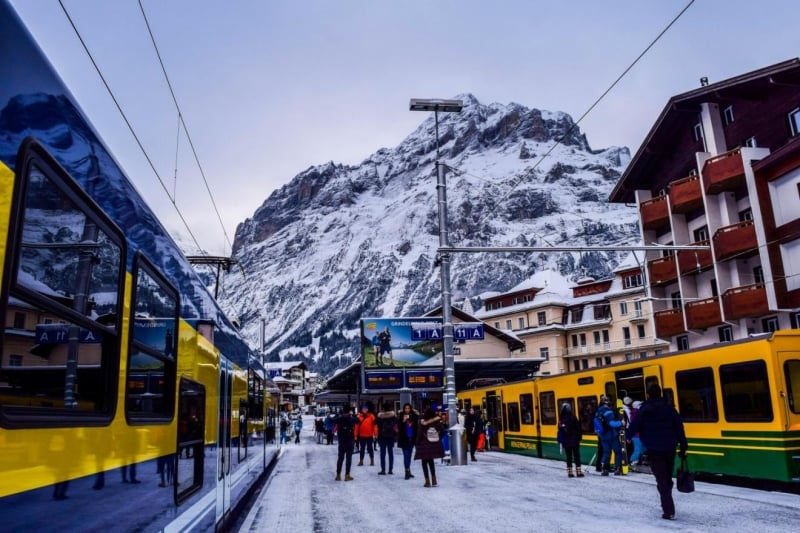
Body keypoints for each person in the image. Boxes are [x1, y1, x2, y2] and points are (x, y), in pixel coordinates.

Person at [626, 384, 688, 521]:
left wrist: (628, 436)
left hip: (654, 448)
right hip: (670, 446)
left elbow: (635, 424)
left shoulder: (645, 409)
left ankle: (668, 509)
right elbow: (679, 426)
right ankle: (668, 498)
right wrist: (683, 445)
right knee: (666, 475)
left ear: (648, 394)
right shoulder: (669, 408)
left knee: (661, 478)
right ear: (659, 393)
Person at [415, 407, 444, 487]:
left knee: (424, 463)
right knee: (431, 461)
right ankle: (434, 479)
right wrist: (438, 438)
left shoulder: (422, 422)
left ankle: (427, 481)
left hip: (423, 445)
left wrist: (417, 443)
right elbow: (442, 431)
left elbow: (419, 434)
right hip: (433, 444)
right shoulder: (437, 421)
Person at [596, 395, 624, 476]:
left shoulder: (598, 411)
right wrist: (621, 422)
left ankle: (604, 469)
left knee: (606, 452)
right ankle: (618, 468)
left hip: (602, 435)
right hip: (611, 435)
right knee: (618, 451)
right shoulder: (608, 411)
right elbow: (612, 423)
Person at [557, 402, 583, 478]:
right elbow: (578, 429)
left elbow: (560, 429)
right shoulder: (573, 417)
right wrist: (579, 438)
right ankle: (578, 472)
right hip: (575, 441)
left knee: (568, 457)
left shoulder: (561, 419)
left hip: (566, 441)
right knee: (577, 456)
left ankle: (570, 472)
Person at [333, 405, 359, 481]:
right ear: (349, 411)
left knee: (340, 458)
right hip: (350, 440)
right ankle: (347, 475)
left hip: (341, 441)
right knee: (348, 458)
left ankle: (338, 475)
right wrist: (353, 414)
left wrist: (338, 414)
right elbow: (358, 420)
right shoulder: (351, 418)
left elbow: (333, 420)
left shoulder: (340, 418)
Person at [397, 403, 419, 480]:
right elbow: (398, 427)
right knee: (406, 455)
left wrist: (411, 418)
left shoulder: (414, 416)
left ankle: (408, 470)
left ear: (411, 409)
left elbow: (416, 426)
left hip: (411, 438)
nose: (407, 410)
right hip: (404, 439)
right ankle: (406, 471)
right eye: (406, 408)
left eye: (408, 408)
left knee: (409, 456)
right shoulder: (401, 416)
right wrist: (403, 420)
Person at [376, 402, 398, 475]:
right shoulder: (393, 416)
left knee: (383, 454)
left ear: (383, 409)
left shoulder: (380, 417)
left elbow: (375, 422)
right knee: (390, 453)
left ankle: (383, 469)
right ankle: (390, 469)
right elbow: (396, 425)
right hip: (391, 437)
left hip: (382, 437)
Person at [628, 400, 647, 467]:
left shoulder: (638, 413)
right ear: (637, 406)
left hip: (641, 434)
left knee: (645, 447)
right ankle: (632, 461)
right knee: (638, 449)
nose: (641, 406)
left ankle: (638, 459)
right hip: (636, 435)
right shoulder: (635, 414)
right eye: (640, 405)